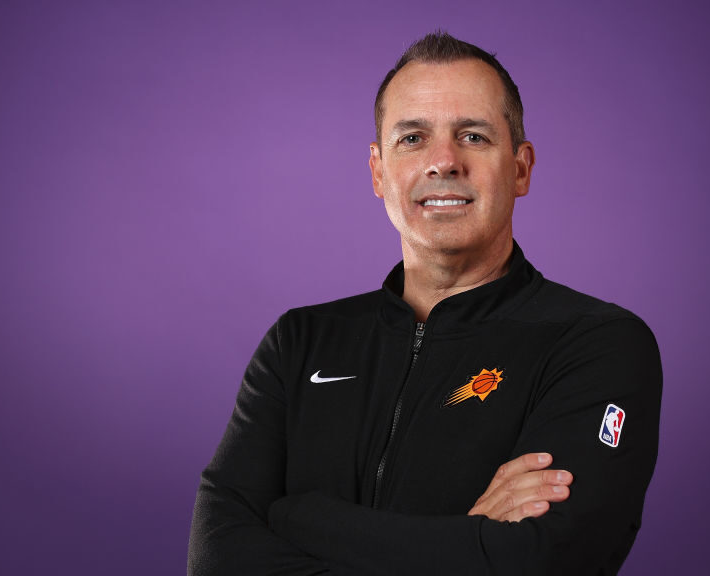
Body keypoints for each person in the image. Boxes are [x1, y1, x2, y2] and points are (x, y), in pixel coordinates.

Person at [188, 31, 662, 575]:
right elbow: (215, 559)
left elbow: (538, 562)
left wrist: (303, 519)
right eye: (412, 138)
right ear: (378, 170)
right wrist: (467, 540)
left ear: (521, 168)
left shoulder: (595, 344)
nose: (443, 161)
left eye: (474, 137)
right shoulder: (300, 342)